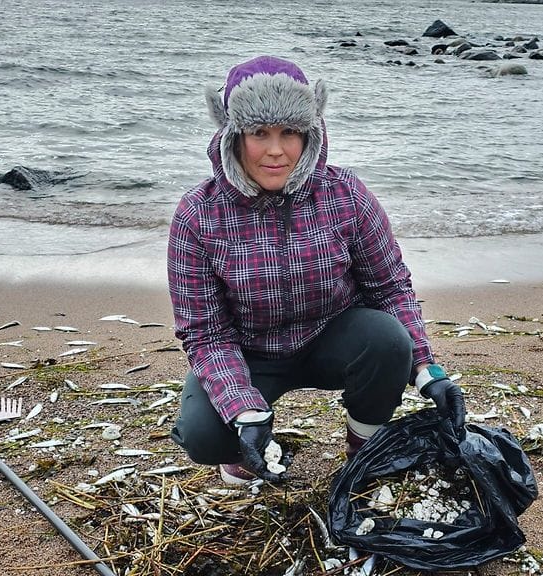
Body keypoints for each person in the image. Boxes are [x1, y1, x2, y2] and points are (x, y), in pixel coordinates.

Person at [167, 55, 466, 484]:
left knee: (388, 340)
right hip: (249, 353)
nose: (276, 150)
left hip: (333, 338)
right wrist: (242, 409)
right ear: (233, 136)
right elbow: (205, 333)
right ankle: (246, 447)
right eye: (259, 133)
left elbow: (390, 288)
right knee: (204, 435)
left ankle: (364, 447)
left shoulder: (346, 193)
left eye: (290, 132)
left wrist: (426, 371)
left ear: (310, 134)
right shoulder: (197, 213)